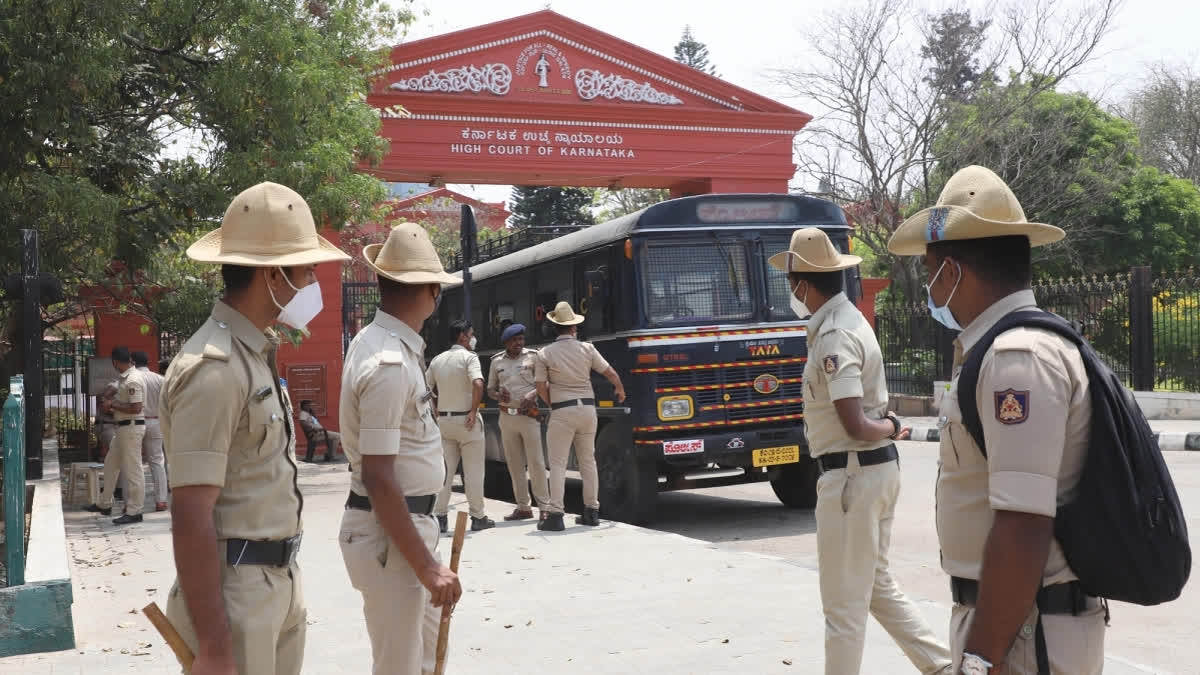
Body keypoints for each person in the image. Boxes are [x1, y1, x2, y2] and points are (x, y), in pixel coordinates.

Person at [888, 165, 1104, 675]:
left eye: (929, 268)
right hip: (1015, 624)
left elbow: (1023, 522)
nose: (928, 283)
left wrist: (982, 658)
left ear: (951, 270)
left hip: (1025, 634)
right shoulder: (1004, 349)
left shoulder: (1016, 359)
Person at [160, 181, 350, 675]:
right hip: (235, 595)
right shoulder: (214, 368)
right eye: (306, 270)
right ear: (272, 274)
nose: (312, 282)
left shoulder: (253, 355)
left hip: (276, 580)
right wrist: (214, 641)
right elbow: (191, 511)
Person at [768, 229, 952, 675]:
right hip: (872, 475)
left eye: (791, 283)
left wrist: (890, 426)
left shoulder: (833, 336)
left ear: (802, 285)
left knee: (842, 608)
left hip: (851, 477)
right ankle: (945, 668)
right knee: (875, 587)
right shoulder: (850, 320)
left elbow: (855, 423)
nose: (791, 291)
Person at [339, 222, 463, 675]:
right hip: (392, 535)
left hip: (406, 529)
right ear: (431, 291)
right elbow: (378, 475)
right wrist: (428, 566)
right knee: (401, 667)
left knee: (425, 663)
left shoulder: (390, 348)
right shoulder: (389, 362)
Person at [533, 301, 626, 531]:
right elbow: (610, 372)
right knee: (588, 461)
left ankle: (555, 515)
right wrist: (619, 388)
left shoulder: (545, 354)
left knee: (557, 464)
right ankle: (592, 512)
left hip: (562, 410)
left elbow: (540, 385)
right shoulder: (588, 349)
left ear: (555, 328)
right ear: (574, 328)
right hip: (587, 409)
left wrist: (551, 403)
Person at [428, 319, 495, 533]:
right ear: (462, 336)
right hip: (467, 423)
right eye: (471, 333)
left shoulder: (438, 360)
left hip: (444, 423)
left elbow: (425, 389)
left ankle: (440, 517)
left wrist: (435, 408)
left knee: (444, 473)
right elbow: (478, 383)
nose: (473, 338)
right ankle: (477, 517)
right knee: (474, 472)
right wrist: (473, 410)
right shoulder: (469, 358)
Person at [486, 323, 550, 521]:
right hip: (507, 417)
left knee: (536, 463)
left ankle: (545, 507)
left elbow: (545, 381)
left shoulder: (533, 356)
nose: (519, 343)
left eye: (521, 339)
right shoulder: (496, 362)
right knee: (514, 465)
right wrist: (498, 395)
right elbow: (490, 389)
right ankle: (523, 507)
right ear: (506, 342)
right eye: (515, 340)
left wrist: (533, 394)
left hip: (529, 416)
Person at [84, 347, 147, 525]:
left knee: (134, 471)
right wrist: (113, 404)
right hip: (123, 429)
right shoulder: (125, 378)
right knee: (111, 464)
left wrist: (112, 407)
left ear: (115, 362)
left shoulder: (133, 379)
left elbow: (136, 408)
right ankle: (104, 504)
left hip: (131, 428)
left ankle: (135, 510)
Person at [132, 350, 169, 512]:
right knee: (157, 461)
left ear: (132, 362)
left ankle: (132, 501)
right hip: (156, 421)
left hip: (136, 421)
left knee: (133, 462)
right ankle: (161, 500)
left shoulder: (132, 378)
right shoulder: (160, 379)